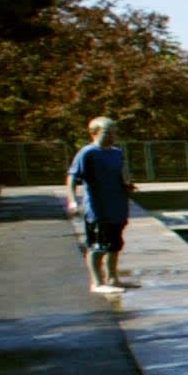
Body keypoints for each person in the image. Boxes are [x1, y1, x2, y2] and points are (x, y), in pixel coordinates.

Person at [65, 116, 137, 295]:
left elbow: (121, 174)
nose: (112, 136)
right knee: (98, 246)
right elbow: (72, 178)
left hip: (117, 206)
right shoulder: (87, 153)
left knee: (115, 244)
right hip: (98, 208)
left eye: (114, 132)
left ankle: (113, 278)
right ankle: (97, 282)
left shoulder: (116, 152)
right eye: (107, 132)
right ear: (94, 133)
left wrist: (127, 185)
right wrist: (72, 200)